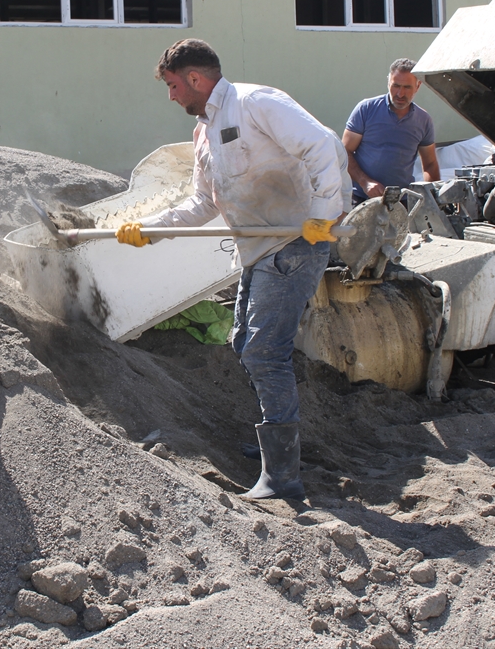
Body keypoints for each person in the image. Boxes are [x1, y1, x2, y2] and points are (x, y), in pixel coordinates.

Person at [115, 39, 348, 500]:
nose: (172, 96)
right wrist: (148, 228)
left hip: (297, 241)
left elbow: (323, 146)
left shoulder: (256, 103)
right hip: (259, 249)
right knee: (244, 342)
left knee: (264, 351)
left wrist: (325, 212)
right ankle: (273, 445)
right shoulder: (204, 133)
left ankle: (282, 475)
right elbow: (203, 202)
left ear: (196, 79)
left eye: (173, 85)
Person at [342, 58, 440, 205]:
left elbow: (431, 164)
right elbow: (344, 152)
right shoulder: (366, 109)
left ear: (418, 86)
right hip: (361, 199)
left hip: (401, 203)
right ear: (388, 82)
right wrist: (365, 182)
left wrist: (432, 201)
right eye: (396, 85)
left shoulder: (423, 120)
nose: (400, 94)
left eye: (407, 87)